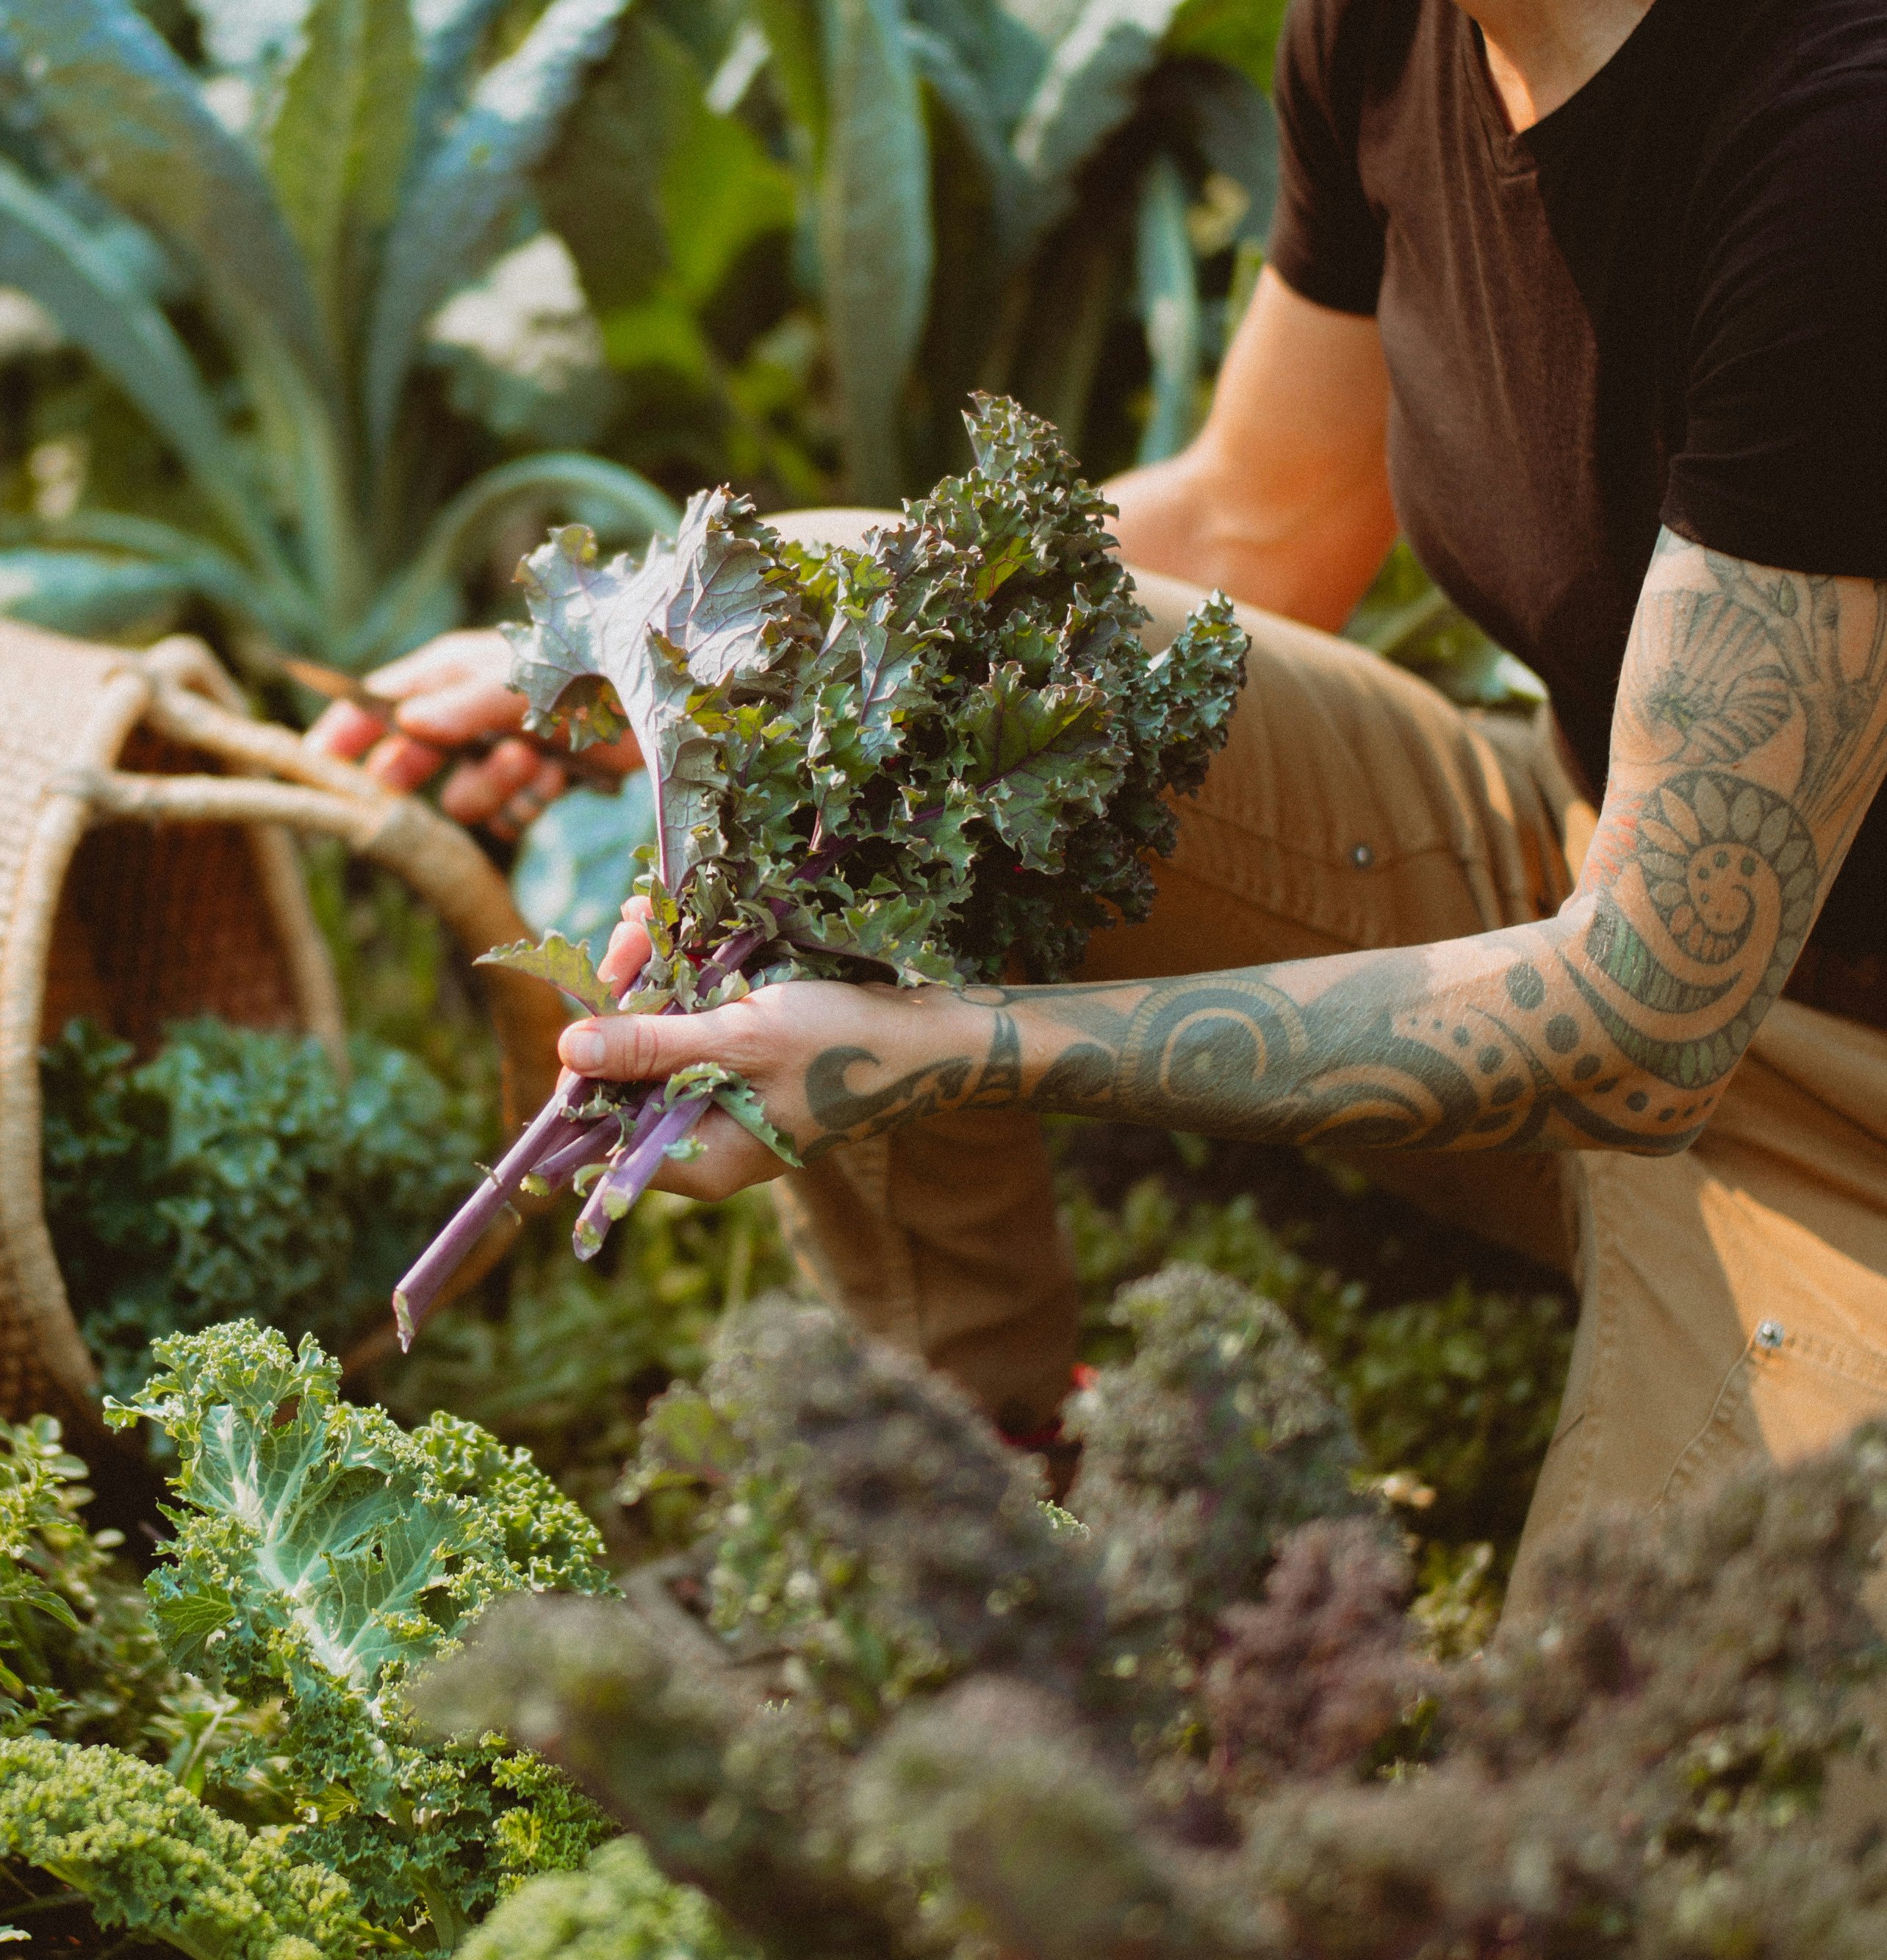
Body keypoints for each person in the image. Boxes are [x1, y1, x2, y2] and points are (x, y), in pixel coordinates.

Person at [308, 0, 1887, 1611]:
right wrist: (667, 671)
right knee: (839, 633)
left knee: (1625, 1734)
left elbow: (1650, 1012)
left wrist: (955, 1044)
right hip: (1559, 865)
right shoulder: (1399, 28)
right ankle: (974, 1477)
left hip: (1820, 1096)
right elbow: (1258, 523)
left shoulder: (1835, 147)